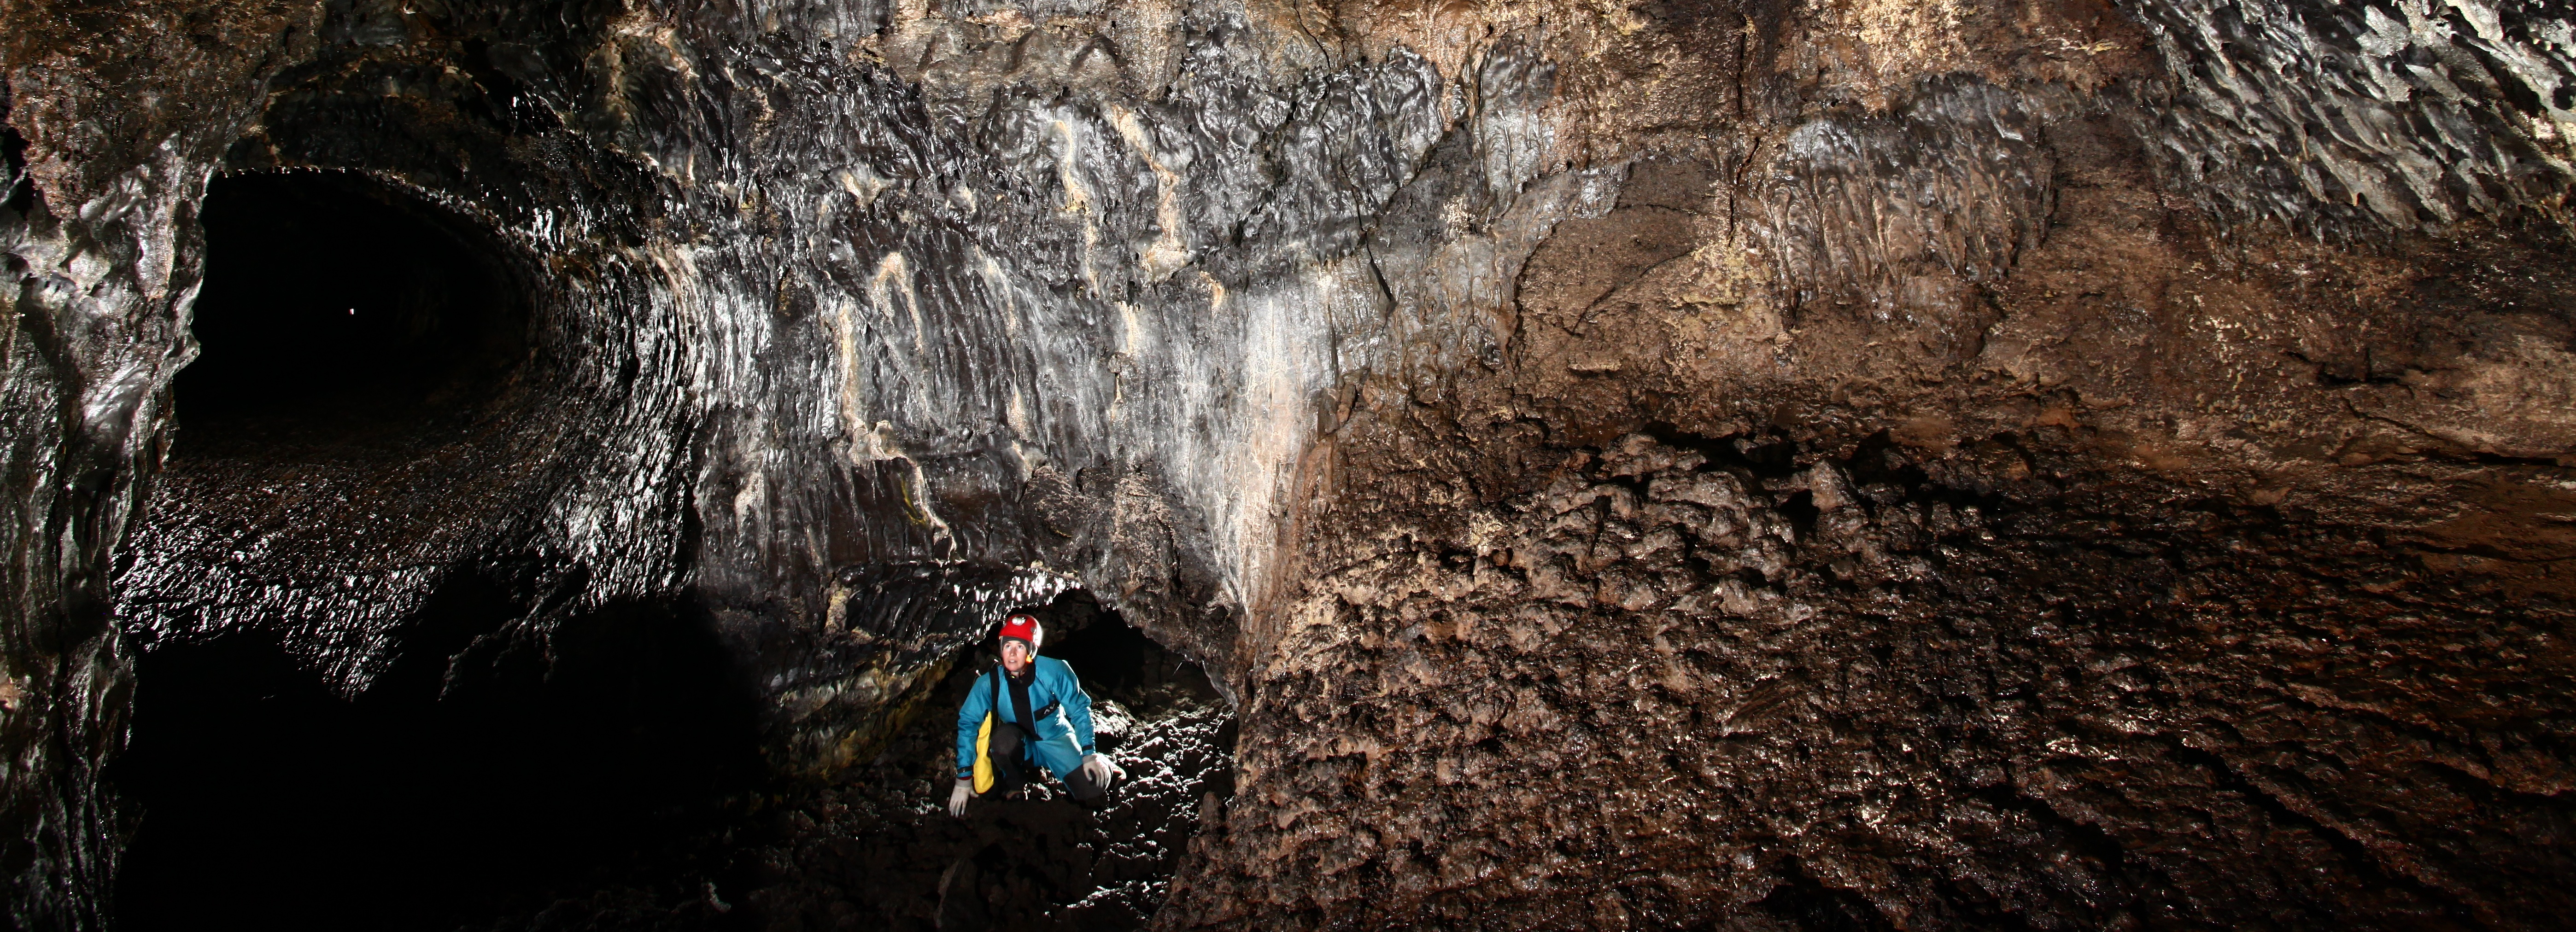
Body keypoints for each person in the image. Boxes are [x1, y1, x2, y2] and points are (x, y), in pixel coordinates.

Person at [948, 613, 1124, 816]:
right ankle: (1016, 785)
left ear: (1031, 650)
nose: (1012, 654)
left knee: (1091, 787)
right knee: (1003, 741)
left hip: (1056, 739)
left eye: (1020, 647)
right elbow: (968, 723)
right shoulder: (989, 684)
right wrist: (963, 779)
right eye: (1008, 646)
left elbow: (1079, 710)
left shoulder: (1054, 672)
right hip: (1022, 746)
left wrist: (1089, 754)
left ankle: (1107, 766)